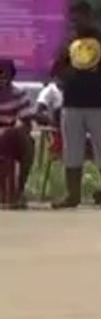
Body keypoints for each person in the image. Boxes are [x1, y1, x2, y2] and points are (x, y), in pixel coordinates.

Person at [50, 1, 101, 210]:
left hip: (99, 104)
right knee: (72, 151)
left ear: (90, 16)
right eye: (73, 19)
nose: (76, 22)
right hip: (72, 104)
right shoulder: (70, 41)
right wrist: (63, 73)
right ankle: (72, 195)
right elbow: (56, 68)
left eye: (80, 17)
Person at [36, 79, 101, 206]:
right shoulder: (50, 91)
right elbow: (38, 112)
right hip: (66, 137)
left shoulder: (85, 90)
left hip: (91, 137)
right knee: (82, 146)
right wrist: (55, 122)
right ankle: (76, 194)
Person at [0, 58, 36, 209]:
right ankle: (8, 192)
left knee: (26, 141)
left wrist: (15, 128)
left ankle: (19, 190)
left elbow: (26, 121)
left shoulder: (20, 94)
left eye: (4, 75)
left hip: (14, 137)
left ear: (11, 76)